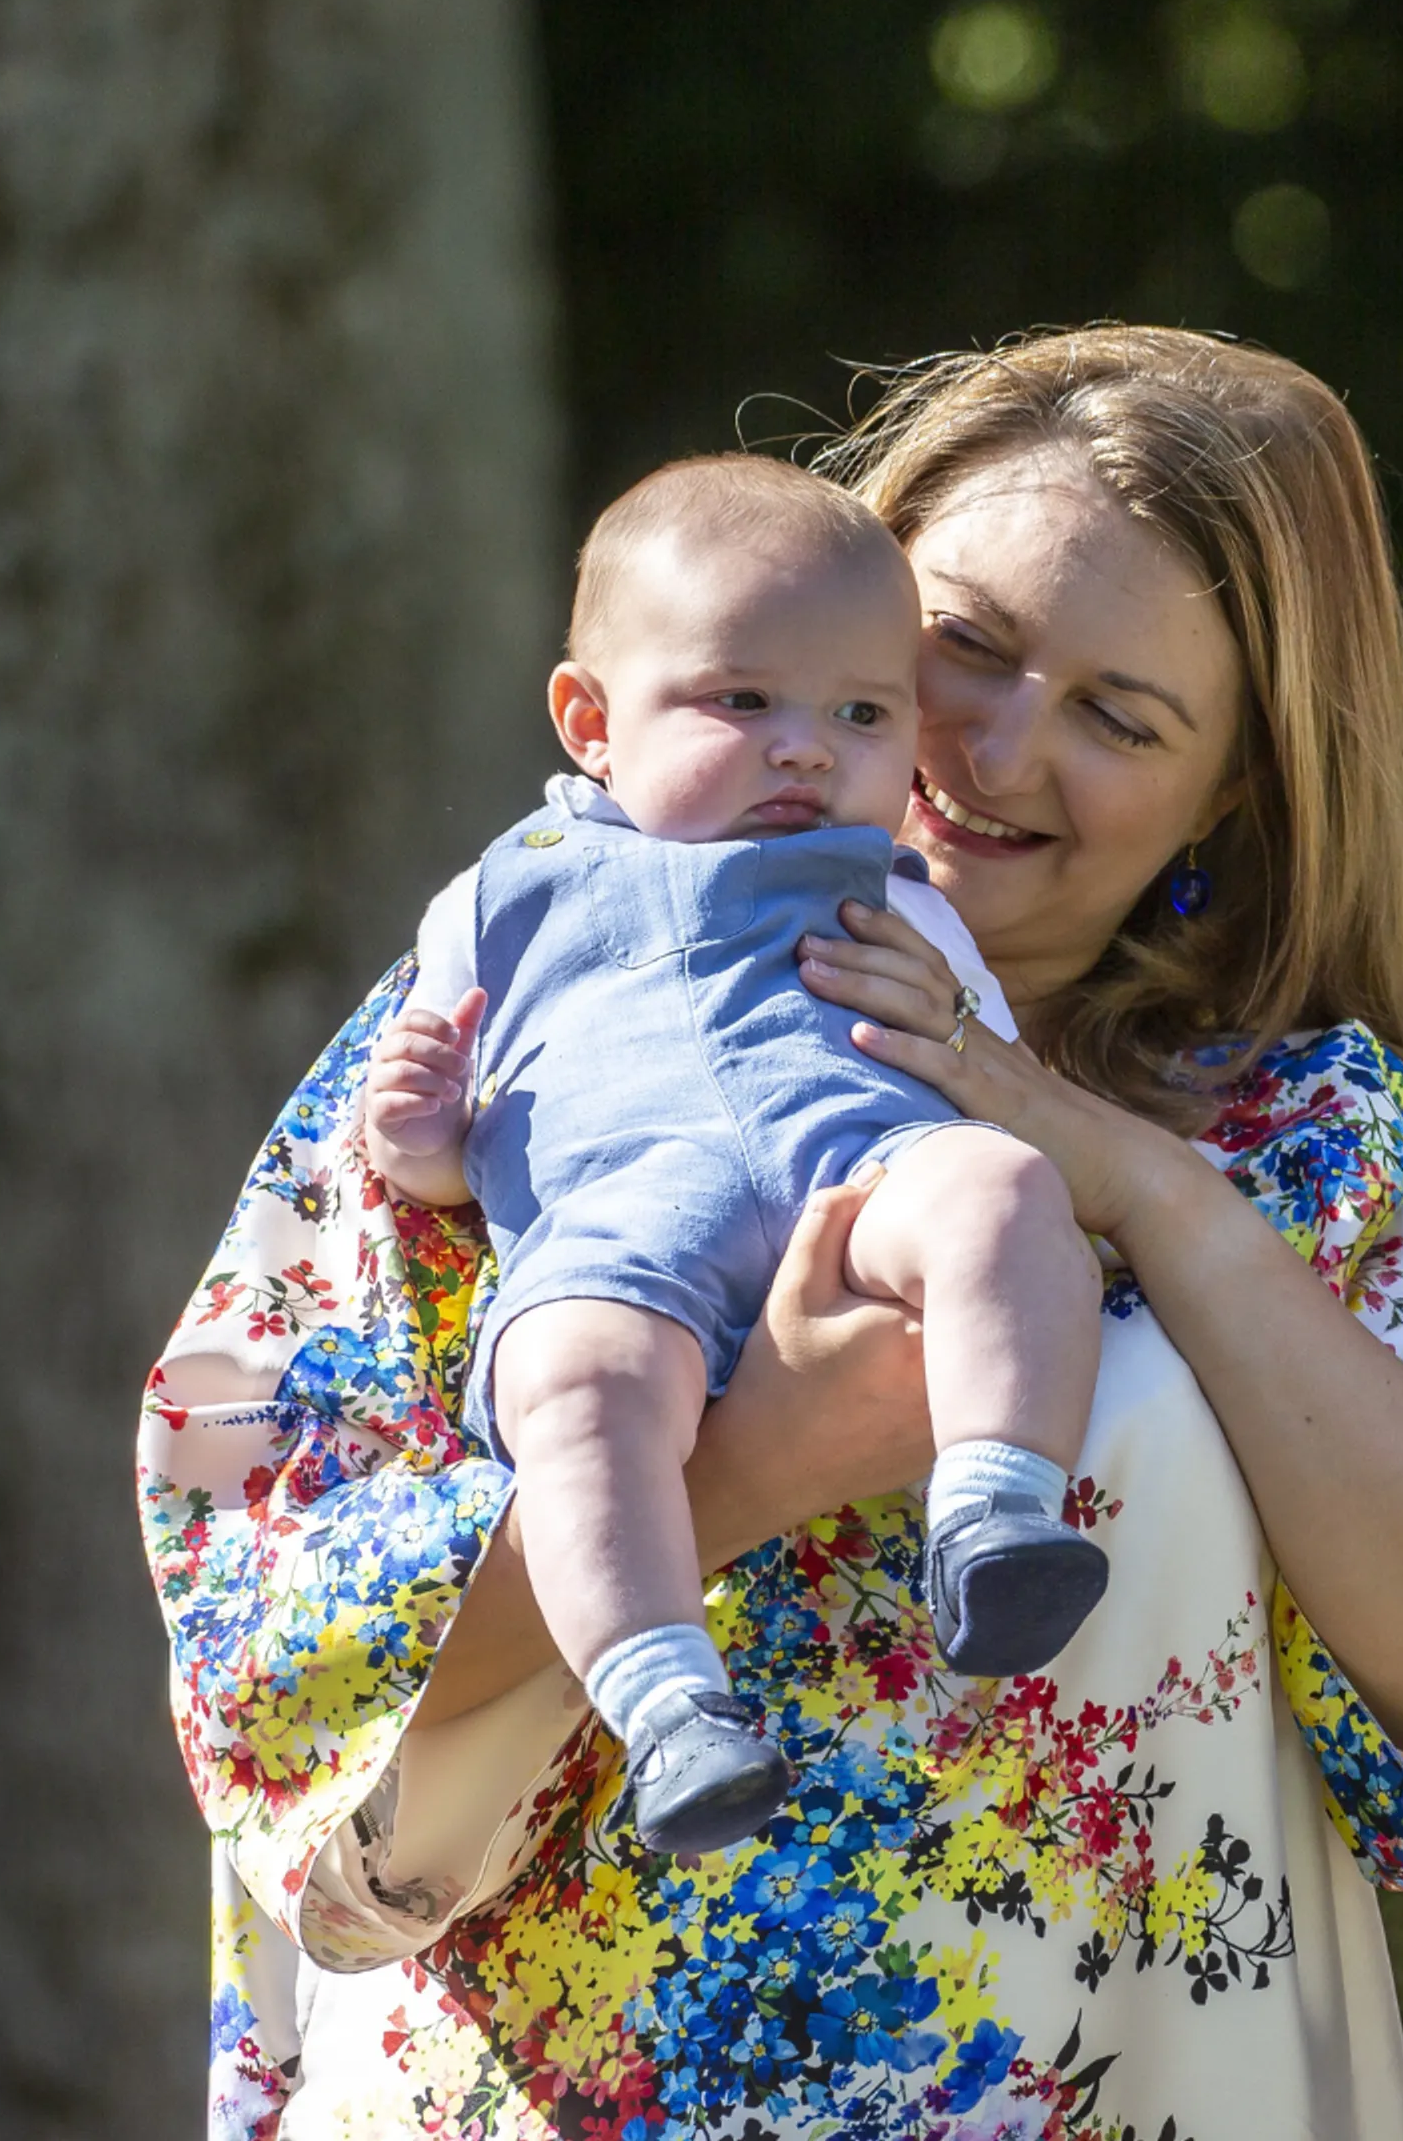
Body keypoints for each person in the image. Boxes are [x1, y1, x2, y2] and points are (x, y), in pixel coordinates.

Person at [139, 327, 1403, 2140]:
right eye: (966, 650)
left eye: (1120, 714)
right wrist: (757, 1454)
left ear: (1232, 788)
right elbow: (266, 1656)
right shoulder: (507, 1033)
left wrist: (1140, 1187)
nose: (986, 749)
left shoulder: (1300, 1143)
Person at [365, 454, 1115, 1860]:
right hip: (620, 1223)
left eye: (860, 712)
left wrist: (967, 1053)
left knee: (1005, 1196)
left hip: (858, 1161)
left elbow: (1000, 1089)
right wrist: (413, 1129)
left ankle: (999, 1505)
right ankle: (667, 1704)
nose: (807, 749)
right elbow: (442, 1160)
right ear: (592, 720)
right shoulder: (498, 894)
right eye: (743, 701)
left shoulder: (893, 892)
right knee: (573, 1384)